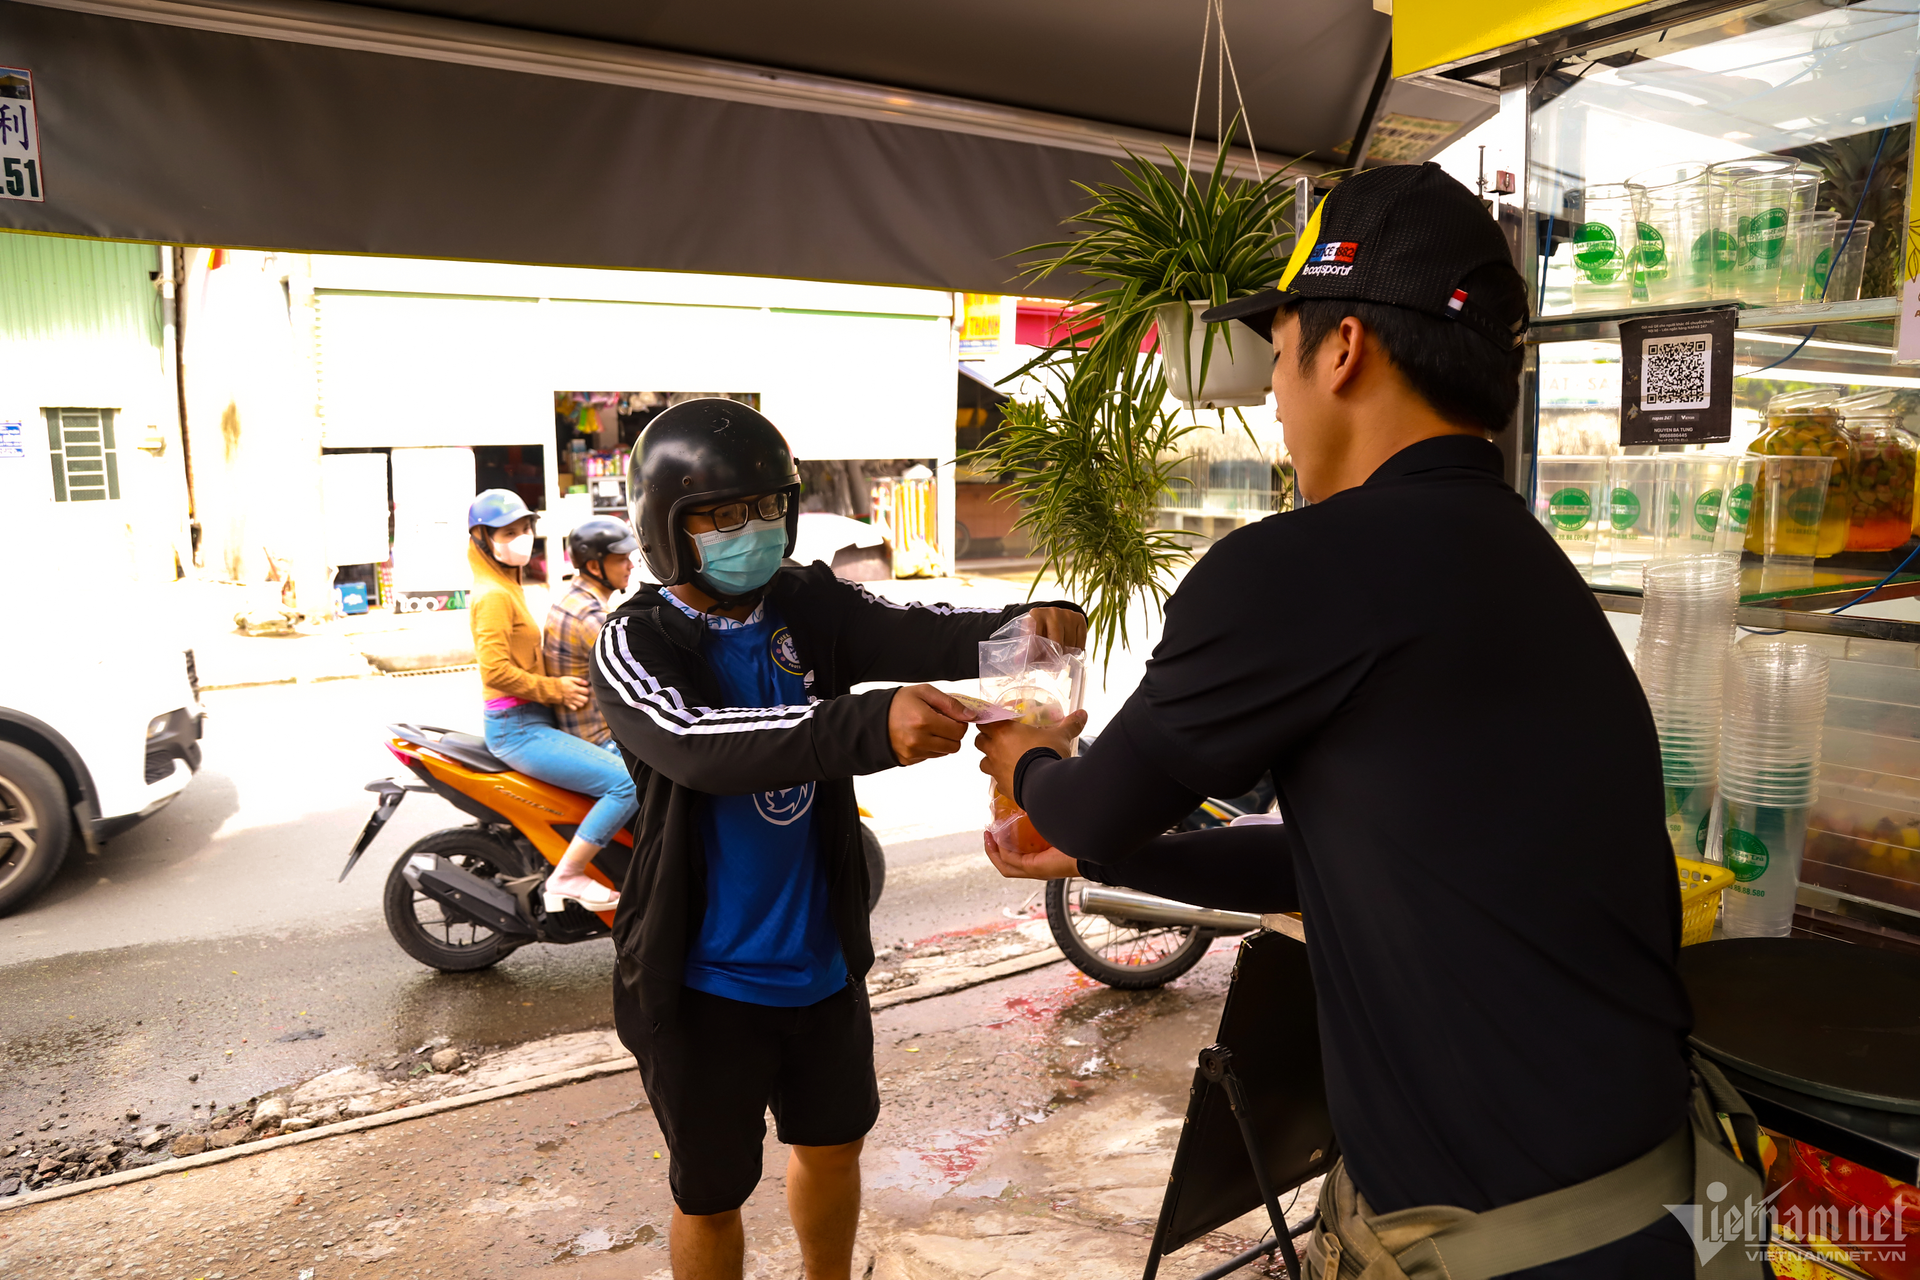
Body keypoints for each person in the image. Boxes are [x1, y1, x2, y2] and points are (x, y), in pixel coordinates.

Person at [976, 164, 1733, 1279]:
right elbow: (1352, 858)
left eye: (1278, 353)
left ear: (1343, 350)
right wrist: (1114, 851)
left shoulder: (1302, 567)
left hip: (1513, 1250)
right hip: (1665, 1206)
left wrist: (1030, 763)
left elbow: (1089, 803)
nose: (1273, 397)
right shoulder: (1525, 564)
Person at [587, 399, 1085, 1280]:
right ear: (666, 527)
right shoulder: (633, 642)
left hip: (821, 965)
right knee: (710, 1193)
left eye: (767, 508)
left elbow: (916, 628)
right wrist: (865, 725)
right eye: (722, 516)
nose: (753, 532)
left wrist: (1024, 625)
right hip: (702, 981)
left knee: (833, 1147)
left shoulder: (805, 602)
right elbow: (694, 744)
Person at [467, 489, 637, 913]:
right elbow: (495, 672)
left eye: (524, 528)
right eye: (508, 532)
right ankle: (568, 875)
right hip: (518, 728)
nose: (521, 538)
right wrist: (555, 689)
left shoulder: (507, 584)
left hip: (532, 719)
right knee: (626, 782)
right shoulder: (492, 595)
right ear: (483, 539)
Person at [544, 516, 639, 747]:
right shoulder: (590, 617)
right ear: (595, 566)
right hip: (600, 740)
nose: (631, 566)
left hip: (581, 731)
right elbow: (638, 676)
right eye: (622, 559)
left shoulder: (572, 598)